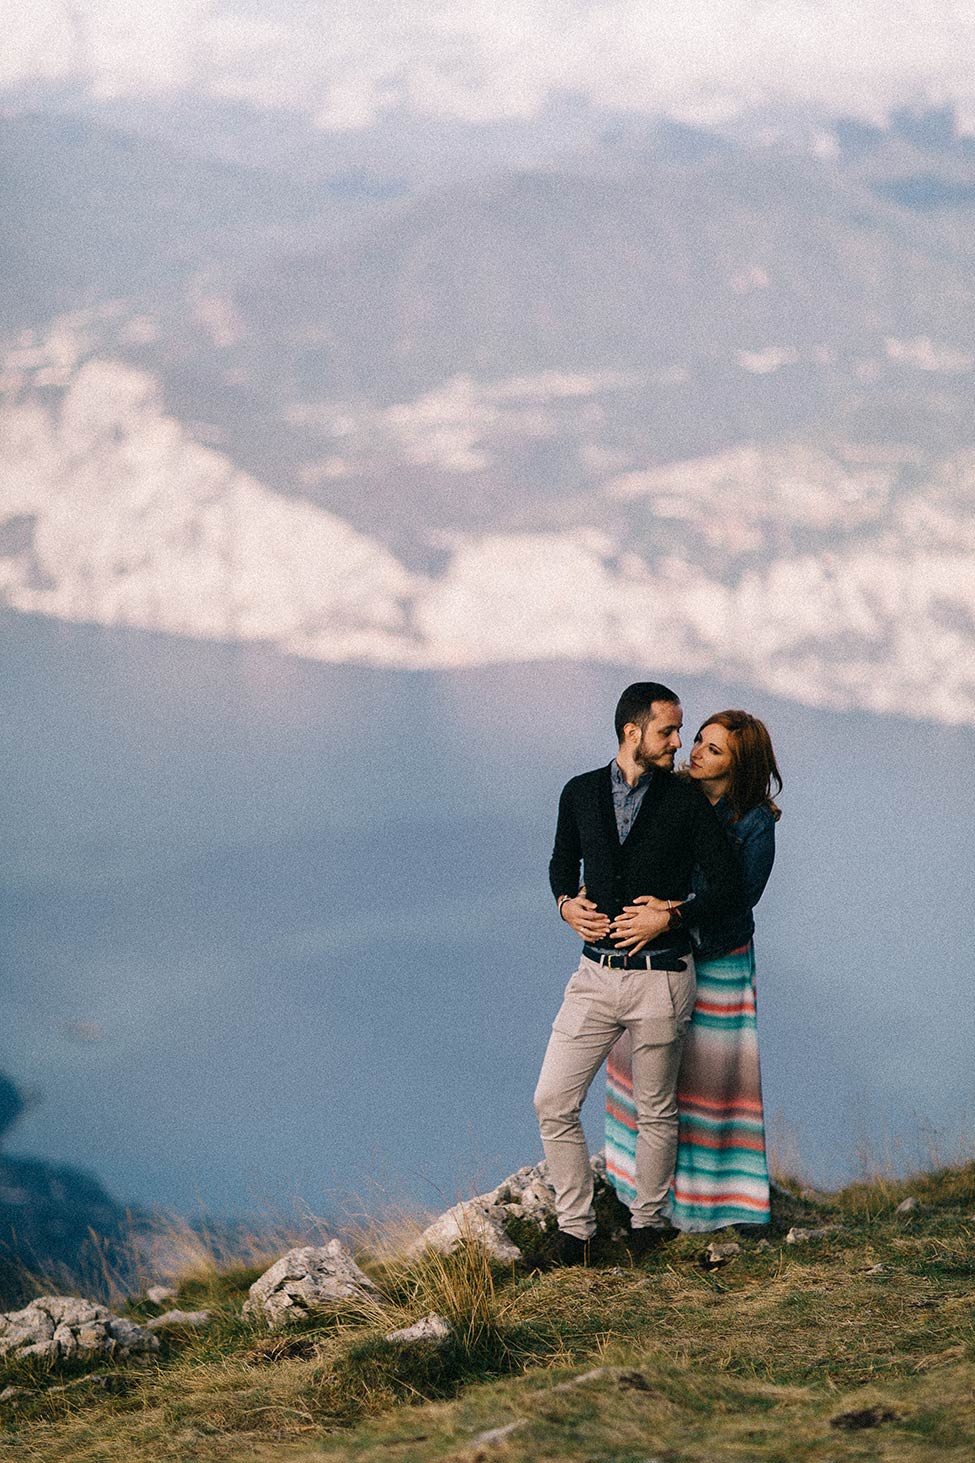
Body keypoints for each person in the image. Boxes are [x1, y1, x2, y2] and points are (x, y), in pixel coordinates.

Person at [534, 682, 744, 1265]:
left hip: (662, 978)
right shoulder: (578, 793)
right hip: (594, 978)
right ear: (633, 732)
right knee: (552, 1099)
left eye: (680, 732)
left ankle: (647, 1228)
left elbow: (728, 888)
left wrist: (668, 915)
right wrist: (563, 902)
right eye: (668, 732)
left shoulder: (685, 803)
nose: (680, 743)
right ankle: (576, 1231)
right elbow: (560, 862)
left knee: (656, 1109)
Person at [605, 710, 782, 1231]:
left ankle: (711, 1206)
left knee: (710, 1083)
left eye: (713, 749)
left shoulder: (753, 823)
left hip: (718, 959)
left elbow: (740, 897)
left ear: (739, 765)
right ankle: (634, 1187)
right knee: (648, 1074)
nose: (695, 752)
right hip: (658, 954)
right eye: (698, 741)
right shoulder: (668, 793)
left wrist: (672, 911)